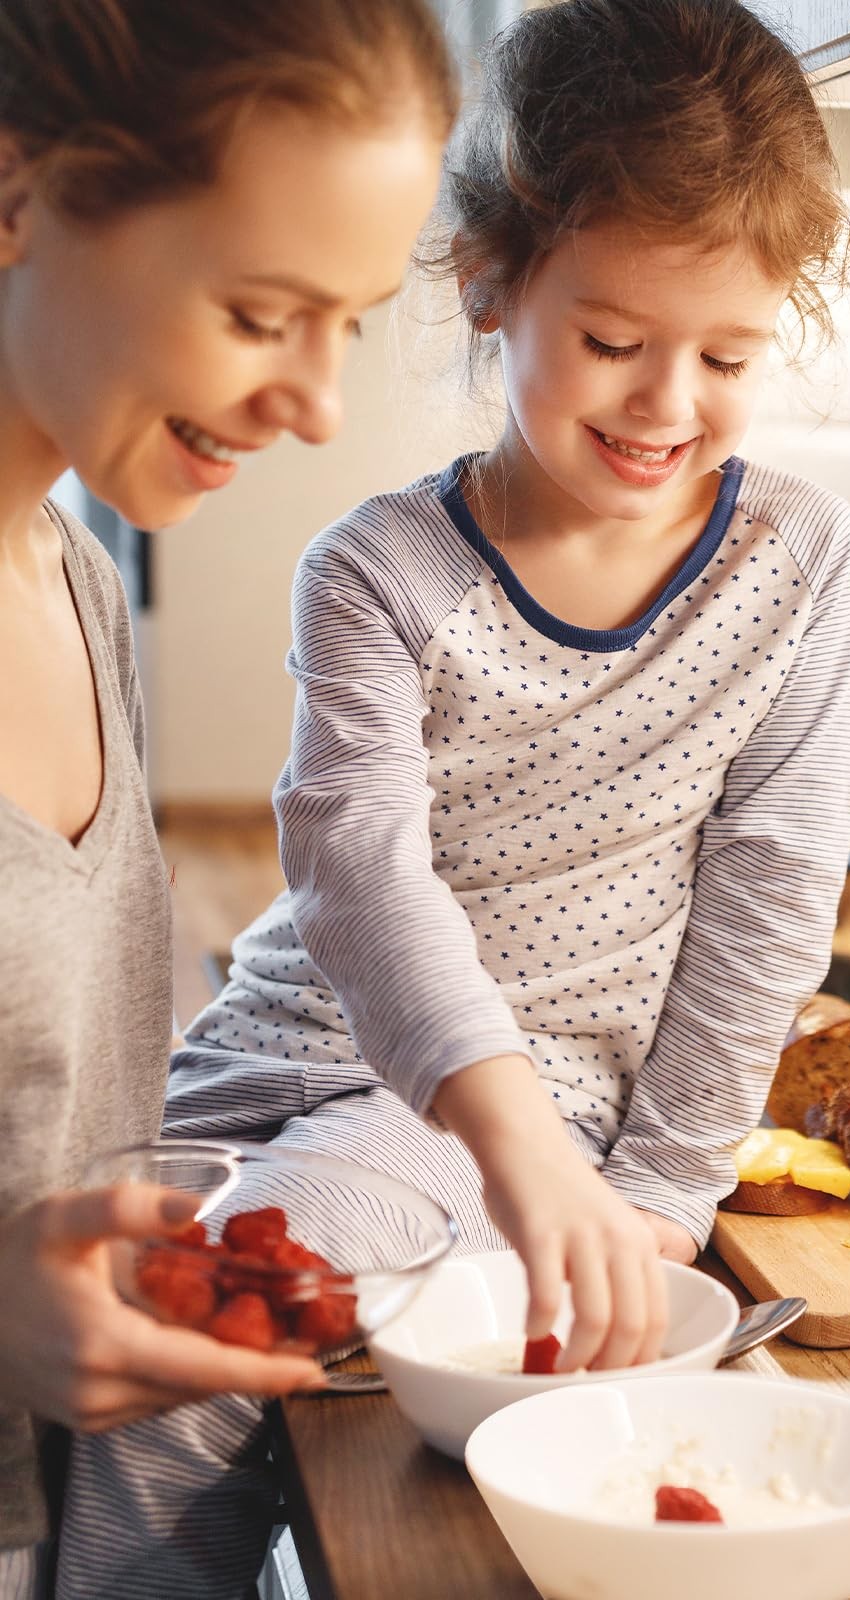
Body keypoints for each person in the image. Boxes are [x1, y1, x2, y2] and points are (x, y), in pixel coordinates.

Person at [71, 0, 850, 1592]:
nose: (665, 403)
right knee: (112, 1340)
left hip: (509, 1119)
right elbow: (361, 870)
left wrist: (653, 1191)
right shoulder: (374, 569)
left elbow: (774, 890)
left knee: (182, 1345)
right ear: (490, 286)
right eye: (615, 342)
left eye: (725, 356)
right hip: (279, 1055)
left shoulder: (799, 559)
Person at [0, 1, 457, 1594]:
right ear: (14, 195)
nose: (321, 404)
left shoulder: (69, 580)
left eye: (351, 319)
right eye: (263, 311)